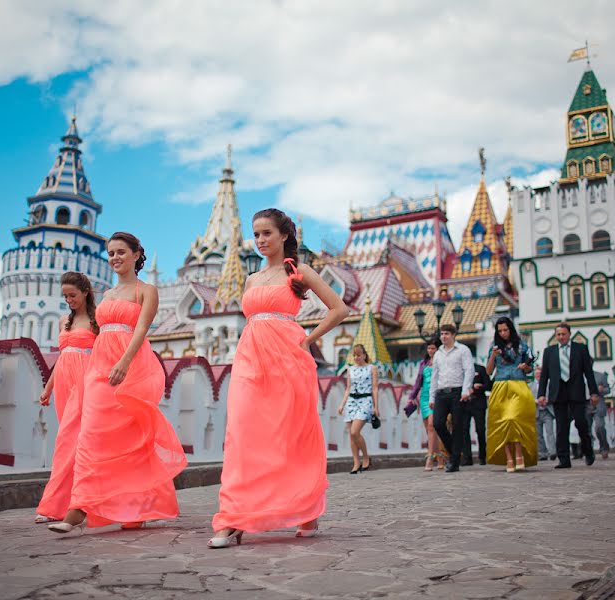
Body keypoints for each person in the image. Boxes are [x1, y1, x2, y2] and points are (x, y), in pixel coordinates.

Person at [209, 208, 348, 548]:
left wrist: (307, 340)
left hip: (288, 359)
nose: (260, 240)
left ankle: (306, 509)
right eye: (256, 234)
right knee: (241, 433)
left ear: (284, 235)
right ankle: (233, 518)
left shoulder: (297, 272)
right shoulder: (251, 279)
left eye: (267, 233)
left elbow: (339, 309)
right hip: (249, 359)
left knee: (290, 435)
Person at [49, 232, 187, 533]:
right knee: (91, 435)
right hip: (99, 368)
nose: (115, 258)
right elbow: (97, 336)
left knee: (131, 439)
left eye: (121, 252)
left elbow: (141, 330)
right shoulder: (107, 296)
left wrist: (124, 362)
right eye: (111, 253)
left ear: (137, 255)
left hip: (132, 366)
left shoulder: (146, 291)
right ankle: (79, 507)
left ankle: (135, 506)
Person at [34, 272, 99, 524]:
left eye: (72, 295)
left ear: (85, 292)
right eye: (65, 296)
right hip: (64, 384)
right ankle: (65, 505)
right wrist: (48, 388)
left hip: (86, 383)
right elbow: (62, 357)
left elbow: (103, 355)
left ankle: (57, 506)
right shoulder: (65, 322)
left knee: (70, 443)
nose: (69, 300)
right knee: (68, 443)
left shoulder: (96, 323)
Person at [537, 322, 600, 469]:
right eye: (558, 334)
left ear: (569, 334)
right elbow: (544, 375)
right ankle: (564, 459)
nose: (561, 337)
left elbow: (588, 373)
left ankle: (588, 450)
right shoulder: (549, 352)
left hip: (576, 391)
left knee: (581, 423)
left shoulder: (581, 349)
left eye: (563, 334)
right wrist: (541, 394)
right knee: (561, 427)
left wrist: (594, 392)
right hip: (558, 393)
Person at [486, 317, 538, 472]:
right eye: (500, 331)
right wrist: (493, 356)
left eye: (505, 330)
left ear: (511, 329)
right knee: (503, 423)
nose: (503, 333)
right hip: (500, 386)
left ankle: (519, 452)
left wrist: (525, 366)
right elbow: (488, 371)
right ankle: (509, 457)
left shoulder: (522, 346)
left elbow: (530, 368)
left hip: (518, 385)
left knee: (513, 419)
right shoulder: (494, 347)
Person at [429, 323, 474, 473]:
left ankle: (453, 461)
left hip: (457, 391)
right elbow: (434, 376)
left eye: (447, 334)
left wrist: (466, 390)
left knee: (457, 426)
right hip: (441, 392)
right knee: (438, 423)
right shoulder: (438, 353)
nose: (444, 337)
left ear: (453, 335)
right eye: (442, 334)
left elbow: (469, 370)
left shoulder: (463, 350)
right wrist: (432, 397)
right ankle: (455, 452)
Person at [338, 344, 379, 474]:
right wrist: (342, 404)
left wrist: (376, 406)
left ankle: (366, 457)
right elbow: (348, 388)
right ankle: (356, 462)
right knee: (351, 435)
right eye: (354, 355)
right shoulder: (350, 369)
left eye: (359, 355)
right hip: (351, 401)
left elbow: (375, 388)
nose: (356, 357)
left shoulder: (372, 368)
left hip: (365, 401)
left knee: (355, 432)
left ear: (364, 355)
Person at [407, 339, 444, 471]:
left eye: (433, 348)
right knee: (429, 430)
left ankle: (430, 457)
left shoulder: (441, 362)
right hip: (424, 397)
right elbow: (418, 381)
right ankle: (439, 455)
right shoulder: (423, 363)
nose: (431, 351)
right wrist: (411, 397)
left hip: (436, 397)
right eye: (429, 348)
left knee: (431, 426)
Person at [462, 364, 490, 466]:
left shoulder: (480, 368)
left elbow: (489, 384)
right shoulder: (460, 369)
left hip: (478, 403)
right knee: (464, 430)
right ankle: (467, 457)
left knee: (480, 429)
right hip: (465, 403)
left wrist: (480, 387)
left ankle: (482, 456)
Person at [530, 367, 556, 460]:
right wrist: (536, 401)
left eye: (540, 374)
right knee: (538, 434)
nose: (538, 376)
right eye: (537, 374)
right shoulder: (531, 386)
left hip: (547, 411)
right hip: (536, 411)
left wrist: (547, 401)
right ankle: (542, 453)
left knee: (550, 432)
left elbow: (553, 395)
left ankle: (552, 452)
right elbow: (528, 398)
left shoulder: (549, 384)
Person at [587, 371, 610, 459]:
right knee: (586, 429)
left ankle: (604, 447)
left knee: (600, 427)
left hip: (598, 405)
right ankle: (588, 450)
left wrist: (602, 390)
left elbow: (608, 389)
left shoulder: (600, 376)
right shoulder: (579, 376)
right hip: (586, 405)